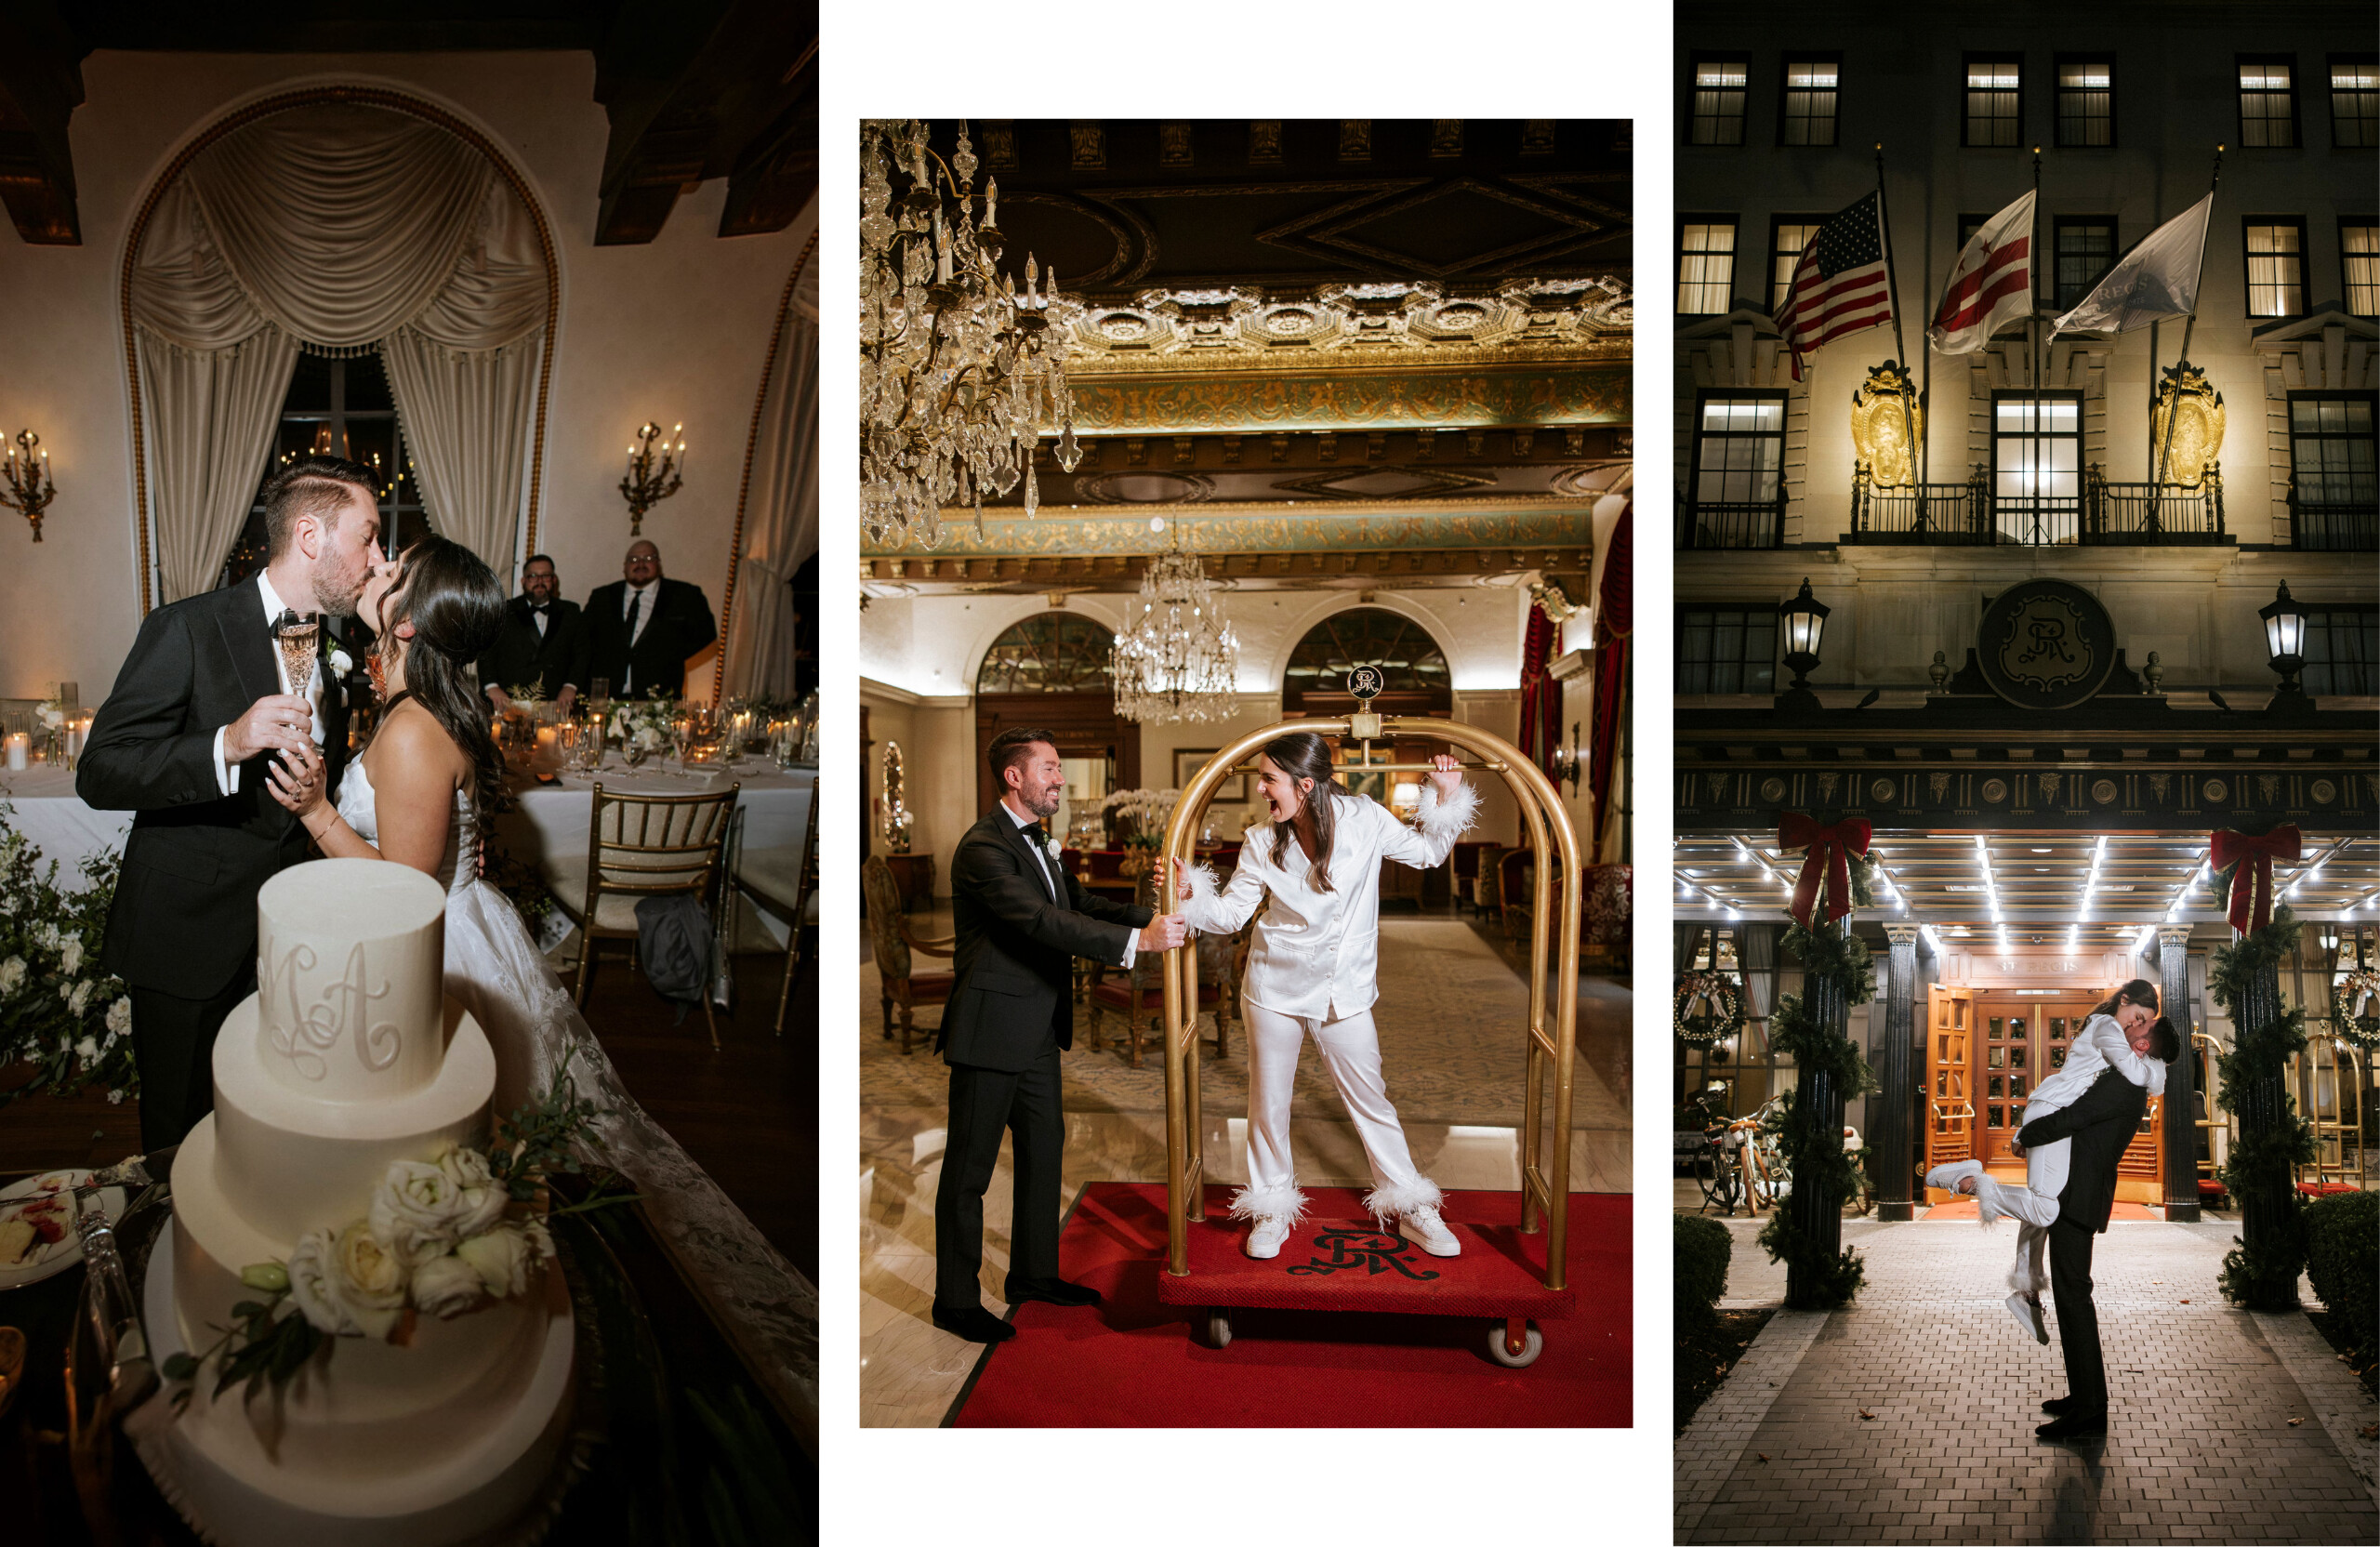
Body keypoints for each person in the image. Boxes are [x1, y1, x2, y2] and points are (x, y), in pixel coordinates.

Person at [261, 534, 813, 1423]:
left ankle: (491, 1333)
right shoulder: (431, 700)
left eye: (391, 572)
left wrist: (320, 812)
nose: (377, 570)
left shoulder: (411, 729)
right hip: (481, 927)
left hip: (440, 950)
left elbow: (404, 895)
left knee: (471, 1148)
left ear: (405, 618)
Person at [77, 455, 379, 1149]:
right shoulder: (186, 626)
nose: (376, 556)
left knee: (260, 1130)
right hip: (188, 934)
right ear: (311, 536)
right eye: (367, 536)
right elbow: (101, 771)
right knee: (180, 1140)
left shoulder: (331, 646)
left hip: (285, 940)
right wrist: (226, 744)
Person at [1170, 733, 1479, 1259]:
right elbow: (1229, 917)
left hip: (1347, 988)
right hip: (1275, 986)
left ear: (1305, 783)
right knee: (1269, 1104)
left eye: (1270, 779)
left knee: (1371, 1101)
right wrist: (1192, 890)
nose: (1263, 789)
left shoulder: (1367, 818)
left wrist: (1447, 797)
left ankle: (1411, 1207)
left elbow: (1428, 853)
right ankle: (1270, 1210)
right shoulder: (1259, 840)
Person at [931, 728, 1184, 1344]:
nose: (1060, 778)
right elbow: (1042, 923)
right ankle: (954, 1300)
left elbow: (1078, 901)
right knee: (969, 1171)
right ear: (1014, 777)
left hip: (1039, 1030)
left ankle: (1034, 1275)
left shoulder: (1040, 842)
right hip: (990, 1030)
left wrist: (1147, 911)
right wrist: (1137, 945)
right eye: (1049, 767)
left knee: (1045, 1156)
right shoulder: (981, 849)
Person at [1928, 978, 2165, 1442]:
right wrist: (2031, 1135)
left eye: (2144, 1033)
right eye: (2135, 1025)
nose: (2135, 1036)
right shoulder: (2115, 1068)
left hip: (2077, 1200)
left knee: (2075, 1299)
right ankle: (2084, 1397)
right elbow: (2073, 1111)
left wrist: (2024, 1137)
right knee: (2074, 1296)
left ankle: (2090, 1409)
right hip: (2079, 1194)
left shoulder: (2123, 1084)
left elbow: (2072, 1119)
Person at [582, 539, 717, 699]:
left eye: (648, 559)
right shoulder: (602, 596)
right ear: (624, 566)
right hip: (608, 696)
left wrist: (668, 655)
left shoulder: (684, 595)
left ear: (658, 564)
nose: (640, 564)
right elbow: (583, 638)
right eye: (633, 560)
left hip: (659, 696)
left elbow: (706, 633)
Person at [478, 553, 588, 718]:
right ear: (523, 582)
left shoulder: (571, 612)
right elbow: (486, 650)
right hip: (508, 702)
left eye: (545, 576)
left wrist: (570, 686)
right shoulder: (503, 610)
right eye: (533, 576)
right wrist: (491, 687)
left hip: (555, 704)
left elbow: (581, 654)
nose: (539, 582)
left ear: (554, 580)